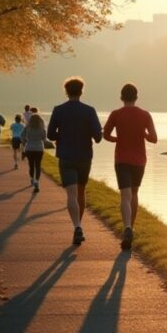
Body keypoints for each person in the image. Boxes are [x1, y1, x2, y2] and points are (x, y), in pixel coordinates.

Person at [47, 77, 102, 246]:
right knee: (81, 191)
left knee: (71, 194)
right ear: (81, 91)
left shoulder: (58, 110)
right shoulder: (89, 110)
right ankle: (79, 225)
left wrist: (60, 137)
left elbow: (50, 135)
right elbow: (98, 138)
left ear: (66, 91)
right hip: (84, 156)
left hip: (66, 155)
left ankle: (77, 226)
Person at [103, 83, 157, 250]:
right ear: (136, 97)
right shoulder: (145, 115)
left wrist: (116, 140)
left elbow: (105, 134)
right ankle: (131, 228)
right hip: (139, 160)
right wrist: (143, 134)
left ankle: (127, 227)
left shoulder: (116, 114)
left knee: (125, 195)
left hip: (121, 159)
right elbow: (153, 138)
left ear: (121, 97)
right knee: (134, 193)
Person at [22, 113, 46, 193]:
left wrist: (25, 142)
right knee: (38, 165)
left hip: (29, 148)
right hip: (39, 148)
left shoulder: (27, 127)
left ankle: (32, 178)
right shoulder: (41, 128)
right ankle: (37, 181)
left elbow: (22, 136)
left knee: (31, 165)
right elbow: (44, 138)